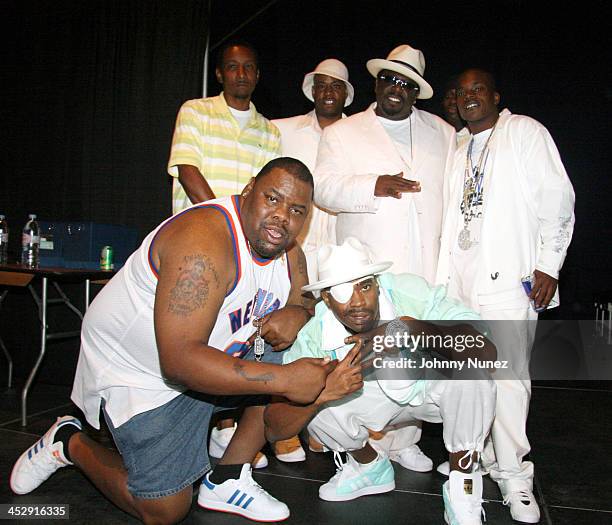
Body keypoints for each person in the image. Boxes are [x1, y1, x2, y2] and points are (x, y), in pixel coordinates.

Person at [10, 158, 334, 524]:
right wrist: (285, 380)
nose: (281, 217)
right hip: (140, 372)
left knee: (289, 344)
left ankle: (227, 478)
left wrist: (297, 312)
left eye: (296, 210)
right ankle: (68, 441)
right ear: (247, 192)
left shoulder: (286, 248)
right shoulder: (204, 244)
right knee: (166, 509)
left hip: (208, 354)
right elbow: (178, 362)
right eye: (272, 199)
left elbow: (305, 294)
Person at [264, 237, 496, 525]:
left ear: (377, 283)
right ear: (325, 298)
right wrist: (324, 393)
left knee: (473, 373)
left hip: (429, 389)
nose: (358, 301)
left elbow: (486, 348)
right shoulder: (314, 338)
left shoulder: (409, 293)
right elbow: (274, 427)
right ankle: (370, 467)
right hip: (365, 399)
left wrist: (413, 328)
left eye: (365, 286)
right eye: (342, 291)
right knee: (315, 399)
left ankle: (464, 488)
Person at [436, 68, 575, 523]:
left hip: (507, 282)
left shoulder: (523, 131)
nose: (469, 97)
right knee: (465, 378)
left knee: (509, 381)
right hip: (459, 285)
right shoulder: (458, 146)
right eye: (462, 92)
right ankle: (471, 457)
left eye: (478, 90)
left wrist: (548, 265)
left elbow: (557, 198)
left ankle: (515, 474)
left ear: (496, 96)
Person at [313, 43, 456, 471]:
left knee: (416, 356)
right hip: (367, 271)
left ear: (417, 92)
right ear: (376, 83)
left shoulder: (442, 133)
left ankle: (405, 439)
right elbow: (322, 187)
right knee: (368, 355)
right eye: (389, 79)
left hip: (424, 267)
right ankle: (365, 443)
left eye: (406, 83)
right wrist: (372, 184)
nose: (396, 88)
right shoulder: (342, 132)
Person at [167, 39, 280, 214]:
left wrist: (238, 229)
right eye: (232, 67)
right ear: (219, 74)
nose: (241, 74)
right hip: (195, 231)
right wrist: (223, 219)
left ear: (257, 75)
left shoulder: (270, 132)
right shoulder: (195, 111)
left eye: (248, 67)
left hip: (241, 236)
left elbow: (264, 190)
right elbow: (187, 171)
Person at [273, 58, 354, 285]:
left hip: (340, 248)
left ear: (346, 95)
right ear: (313, 91)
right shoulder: (283, 130)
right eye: (322, 85)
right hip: (291, 246)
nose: (328, 92)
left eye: (336, 86)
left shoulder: (359, 137)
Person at [441, 75, 470, 148]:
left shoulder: (475, 135)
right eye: (448, 97)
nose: (453, 101)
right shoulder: (436, 135)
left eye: (457, 96)